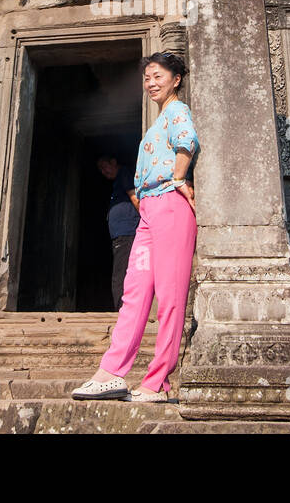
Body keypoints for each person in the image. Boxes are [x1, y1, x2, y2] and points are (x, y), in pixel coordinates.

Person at [72, 51, 198, 404]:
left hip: (170, 206)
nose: (150, 83)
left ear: (175, 79)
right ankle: (110, 373)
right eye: (146, 78)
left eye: (157, 76)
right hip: (148, 213)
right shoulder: (157, 122)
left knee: (170, 298)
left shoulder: (177, 111)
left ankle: (158, 382)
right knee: (135, 291)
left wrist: (177, 178)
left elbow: (187, 141)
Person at [96, 153, 139, 310]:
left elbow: (135, 198)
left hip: (128, 233)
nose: (103, 171)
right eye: (100, 169)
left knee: (120, 275)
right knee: (121, 273)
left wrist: (150, 222)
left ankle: (121, 312)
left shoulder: (124, 173)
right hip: (122, 235)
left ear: (113, 161)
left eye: (104, 166)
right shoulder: (118, 181)